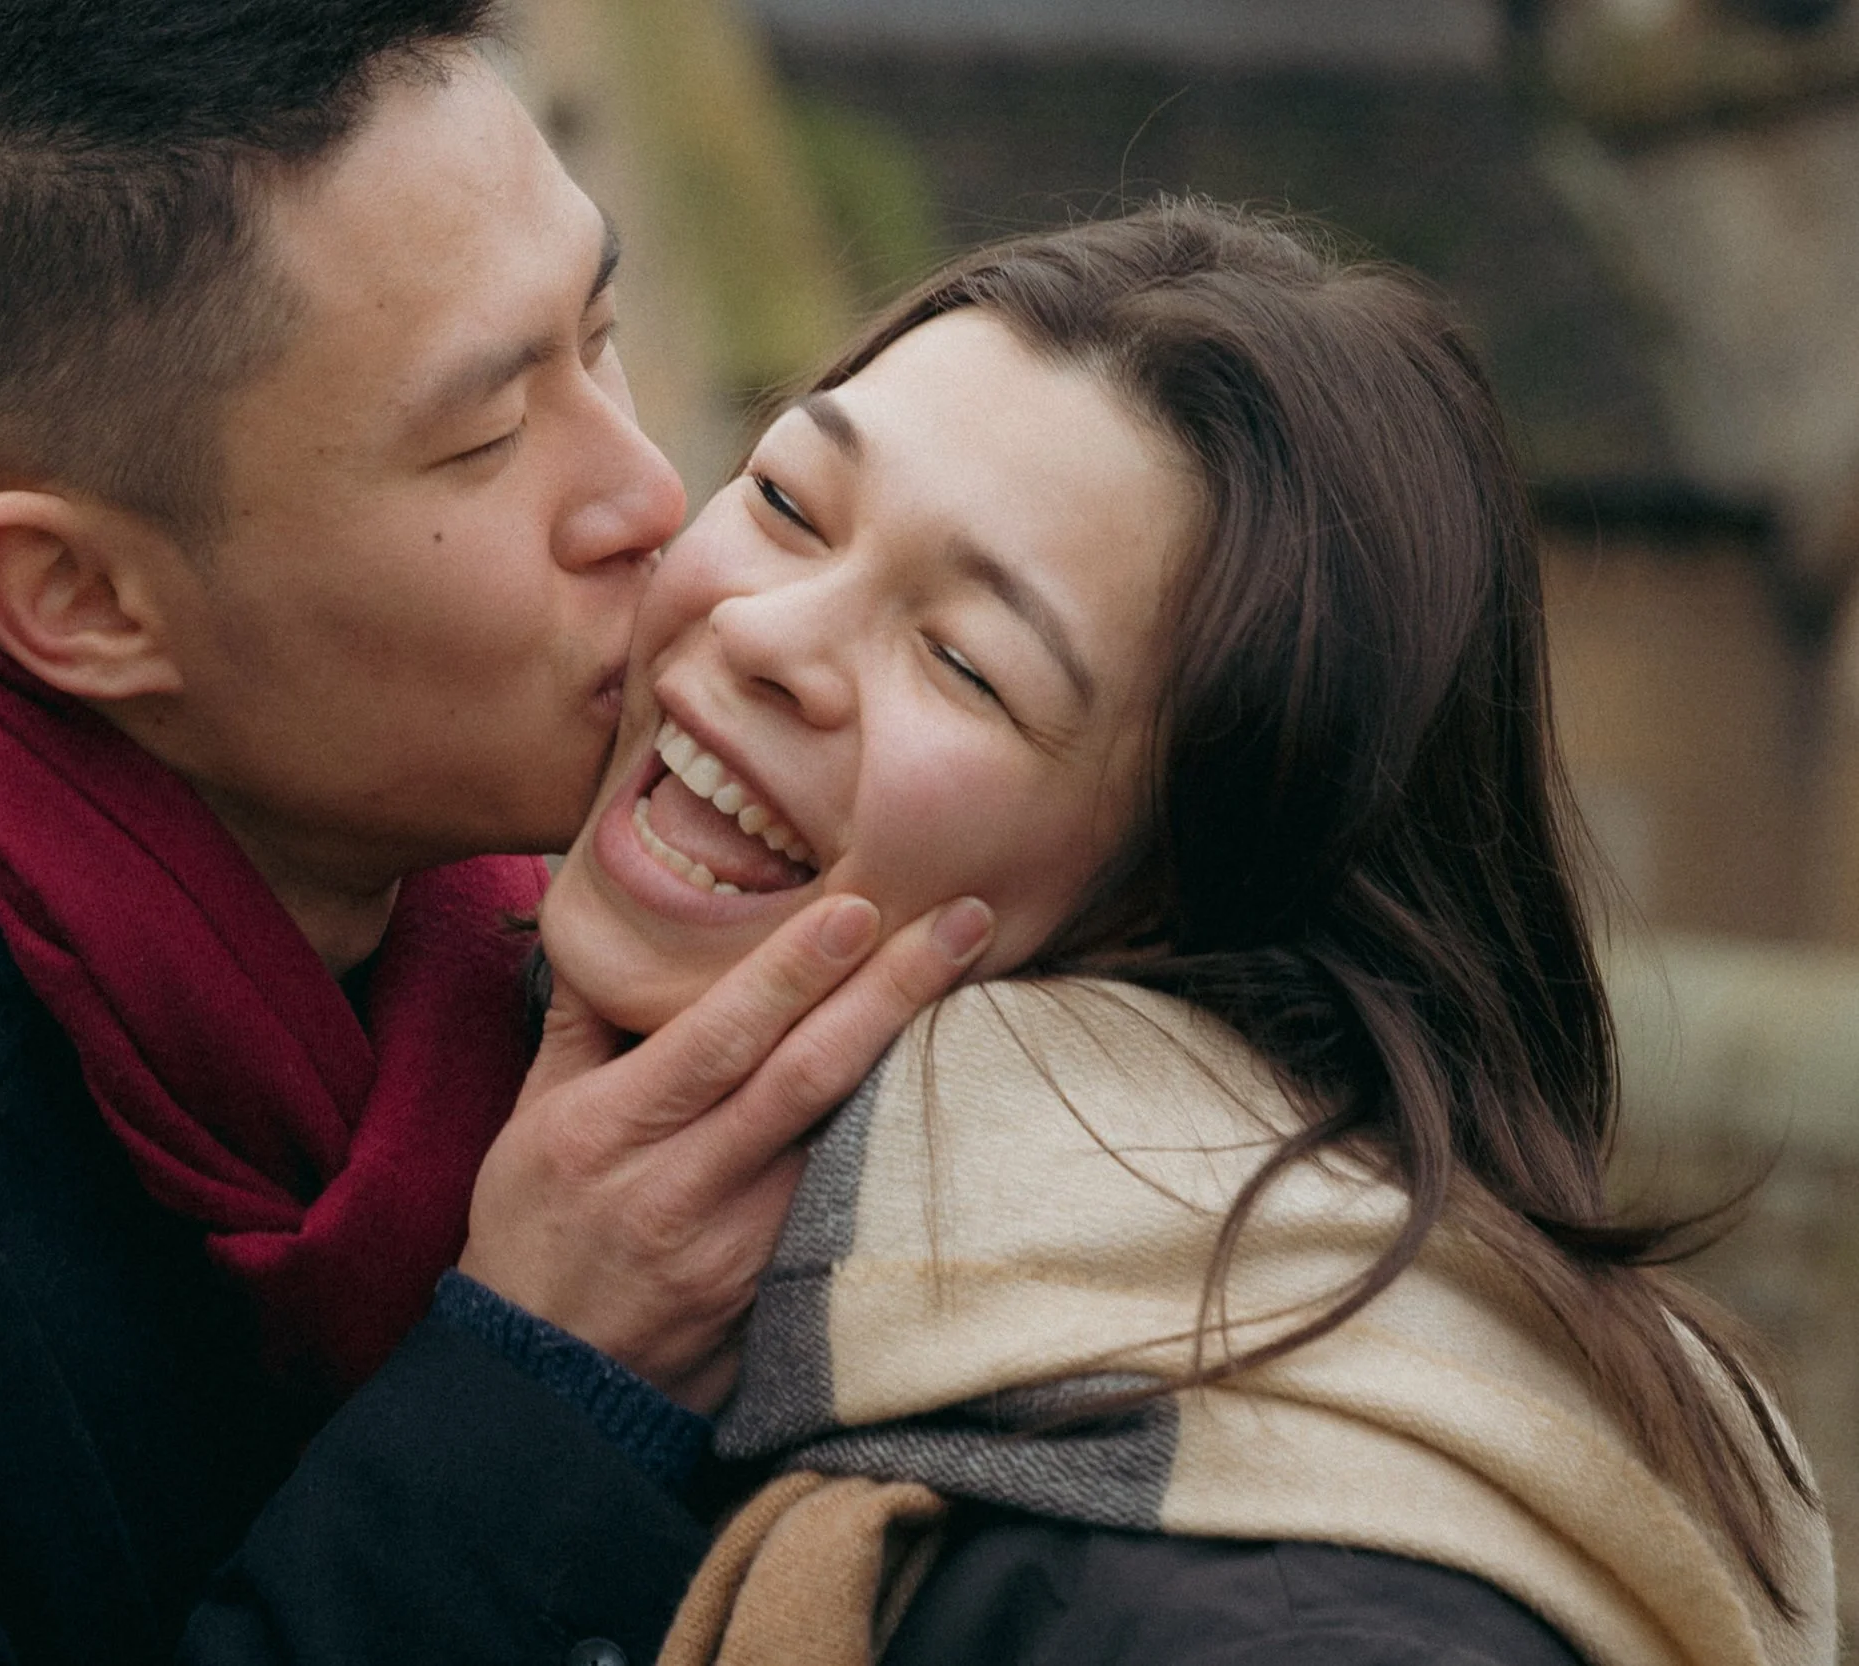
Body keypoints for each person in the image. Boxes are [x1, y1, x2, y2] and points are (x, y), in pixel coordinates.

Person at [0, 3, 992, 1661]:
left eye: (605, 326)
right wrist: (546, 1374)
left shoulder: (605, 977)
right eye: (491, 435)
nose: (653, 494)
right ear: (80, 599)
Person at [533, 202, 1834, 1666]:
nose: (769, 635)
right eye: (785, 502)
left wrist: (527, 1400)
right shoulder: (483, 1152)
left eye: (966, 661)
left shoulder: (1283, 1620)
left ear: (1169, 905)